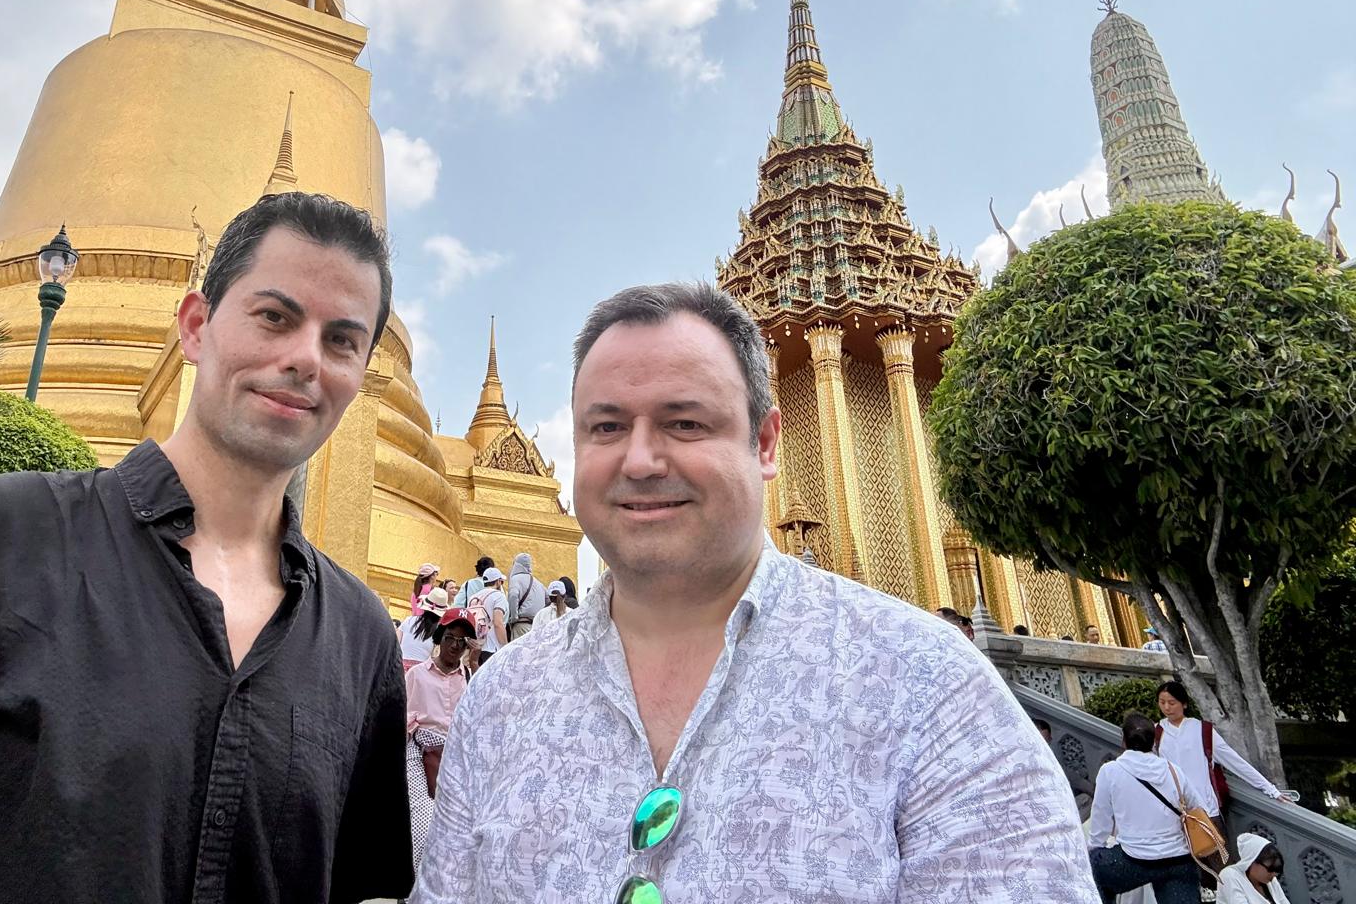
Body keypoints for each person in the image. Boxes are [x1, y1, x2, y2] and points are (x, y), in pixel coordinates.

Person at [0, 191, 415, 904]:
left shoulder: (360, 637)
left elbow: (359, 887)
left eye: (341, 340)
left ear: (361, 373)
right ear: (195, 327)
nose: (305, 359)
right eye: (274, 317)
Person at [412, 282, 1096, 903]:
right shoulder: (501, 700)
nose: (640, 460)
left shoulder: (929, 686)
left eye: (685, 422)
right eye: (607, 427)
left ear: (765, 444)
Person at [1153, 678, 1288, 875]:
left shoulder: (1202, 730)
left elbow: (1235, 761)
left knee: (1224, 869)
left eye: (1172, 702)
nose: (1166, 707)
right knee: (1187, 871)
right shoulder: (1156, 733)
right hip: (1175, 814)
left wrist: (1270, 789)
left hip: (1206, 810)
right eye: (1162, 702)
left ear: (1184, 704)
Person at [1087, 712, 1202, 904]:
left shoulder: (1110, 771)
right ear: (1154, 741)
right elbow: (1197, 807)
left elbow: (1100, 827)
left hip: (1133, 860)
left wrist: (1094, 849)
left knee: (1092, 867)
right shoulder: (1173, 770)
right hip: (1177, 858)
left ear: (1124, 740)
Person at [403, 607, 476, 881]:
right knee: (423, 821)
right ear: (439, 637)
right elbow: (403, 721)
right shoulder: (417, 675)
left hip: (455, 757)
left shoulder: (470, 680)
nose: (455, 646)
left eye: (462, 641)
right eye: (450, 638)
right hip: (419, 754)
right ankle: (418, 884)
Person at [1217, 834, 1288, 903]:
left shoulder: (1270, 880)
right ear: (1252, 861)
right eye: (1271, 869)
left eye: (1277, 870)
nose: (1274, 874)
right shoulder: (1229, 875)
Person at [466, 566, 509, 665]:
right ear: (498, 582)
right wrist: (505, 647)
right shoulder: (499, 596)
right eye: (502, 582)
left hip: (475, 648)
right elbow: (498, 623)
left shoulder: (473, 597)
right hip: (493, 648)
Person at [400, 587, 451, 670]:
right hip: (422, 671)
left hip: (400, 667)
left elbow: (396, 643)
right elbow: (436, 656)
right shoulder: (440, 631)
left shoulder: (408, 620)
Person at [505, 551, 544, 640]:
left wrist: (514, 617)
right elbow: (548, 600)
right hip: (536, 628)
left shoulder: (515, 579)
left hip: (521, 626)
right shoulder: (538, 583)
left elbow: (513, 596)